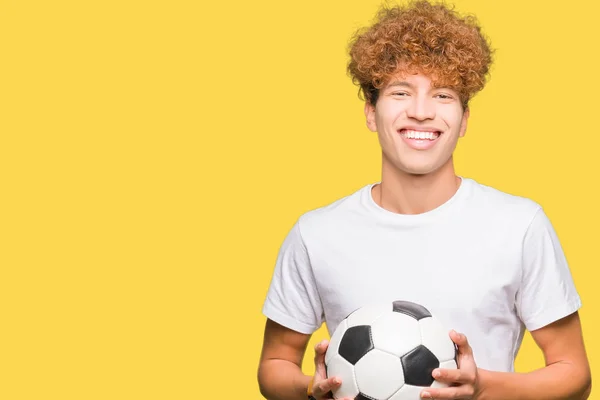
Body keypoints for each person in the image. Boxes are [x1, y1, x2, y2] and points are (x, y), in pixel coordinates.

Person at [257, 1, 592, 399]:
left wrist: (482, 387)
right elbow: (274, 366)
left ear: (464, 119)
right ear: (370, 112)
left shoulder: (519, 226)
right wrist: (310, 388)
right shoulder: (316, 233)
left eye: (443, 95)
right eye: (401, 92)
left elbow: (575, 375)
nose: (420, 112)